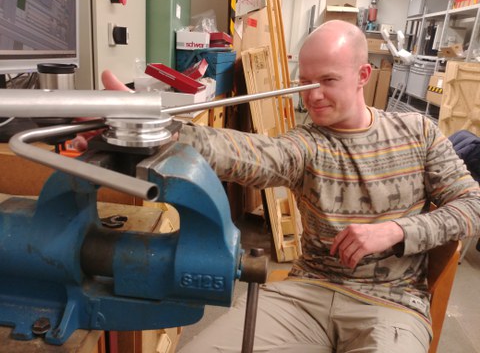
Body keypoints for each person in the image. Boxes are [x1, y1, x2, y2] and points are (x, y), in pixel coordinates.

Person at [99, 20, 480, 352]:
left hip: (392, 304)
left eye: (328, 80)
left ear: (363, 75)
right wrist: (151, 130)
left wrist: (397, 231)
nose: (312, 95)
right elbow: (251, 154)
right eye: (305, 82)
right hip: (308, 293)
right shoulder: (307, 144)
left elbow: (472, 205)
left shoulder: (418, 132)